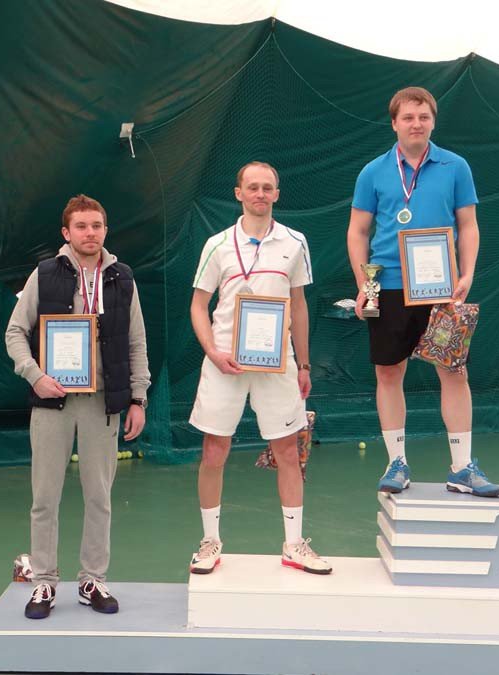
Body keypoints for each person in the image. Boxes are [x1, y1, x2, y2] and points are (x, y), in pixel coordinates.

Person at [346, 87, 499, 498]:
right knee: (388, 372)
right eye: (408, 117)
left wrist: (466, 273)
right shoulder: (372, 172)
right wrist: (364, 284)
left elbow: (468, 224)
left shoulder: (456, 166)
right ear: (394, 123)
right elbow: (358, 231)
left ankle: (462, 467)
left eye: (423, 117)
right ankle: (396, 463)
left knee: (454, 370)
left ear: (433, 121)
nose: (416, 124)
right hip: (386, 286)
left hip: (441, 288)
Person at [5, 194, 151, 619]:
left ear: (105, 229)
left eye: (97, 225)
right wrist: (35, 376)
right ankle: (44, 581)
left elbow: (137, 341)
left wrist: (138, 397)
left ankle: (92, 580)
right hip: (52, 402)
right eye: (82, 226)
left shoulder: (122, 277)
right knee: (44, 497)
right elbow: (15, 332)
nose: (90, 233)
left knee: (99, 497)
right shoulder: (45, 274)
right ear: (66, 233)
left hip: (102, 403)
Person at [186, 162, 332, 575]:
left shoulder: (295, 242)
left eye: (268, 187)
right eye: (253, 187)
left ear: (277, 194)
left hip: (278, 364)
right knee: (214, 450)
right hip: (224, 363)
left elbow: (299, 306)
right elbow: (198, 305)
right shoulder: (217, 244)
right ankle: (210, 542)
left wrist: (303, 364)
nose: (260, 194)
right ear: (239, 193)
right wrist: (213, 352)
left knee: (288, 451)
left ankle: (293, 545)